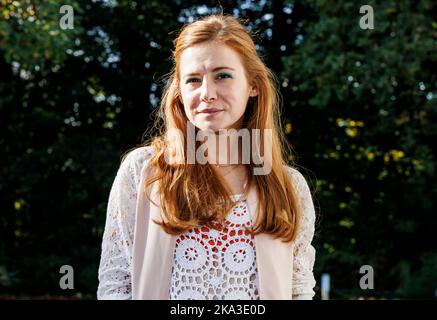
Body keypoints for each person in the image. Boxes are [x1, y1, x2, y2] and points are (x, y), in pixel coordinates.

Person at [97, 13, 317, 300]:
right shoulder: (144, 171)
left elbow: (299, 291)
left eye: (222, 75)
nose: (207, 93)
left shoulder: (288, 185)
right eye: (193, 80)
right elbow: (116, 285)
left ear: (253, 84)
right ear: (179, 92)